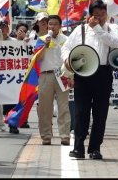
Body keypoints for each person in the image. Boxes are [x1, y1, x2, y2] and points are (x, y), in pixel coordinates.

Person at [61, 0, 118, 160]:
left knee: (100, 113)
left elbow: (114, 43)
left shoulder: (111, 28)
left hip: (103, 73)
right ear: (90, 15)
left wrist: (98, 28)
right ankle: (78, 147)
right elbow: (66, 47)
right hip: (83, 73)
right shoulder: (80, 30)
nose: (100, 18)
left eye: (103, 15)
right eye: (96, 15)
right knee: (81, 112)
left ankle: (95, 148)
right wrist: (67, 59)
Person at [35, 15, 71, 145]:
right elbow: (37, 59)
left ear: (60, 26)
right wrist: (45, 46)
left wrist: (71, 76)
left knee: (63, 106)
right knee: (45, 107)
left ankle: (65, 135)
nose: (52, 27)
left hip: (63, 75)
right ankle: (46, 135)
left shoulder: (67, 40)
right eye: (50, 24)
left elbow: (70, 60)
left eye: (55, 24)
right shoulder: (41, 40)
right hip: (46, 75)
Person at [3, 21, 30, 134]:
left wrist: (25, 40)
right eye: (20, 30)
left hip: (21, 76)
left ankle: (18, 122)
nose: (21, 32)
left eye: (24, 31)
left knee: (20, 99)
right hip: (9, 76)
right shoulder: (8, 42)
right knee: (10, 100)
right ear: (15, 31)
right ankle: (11, 122)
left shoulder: (27, 42)